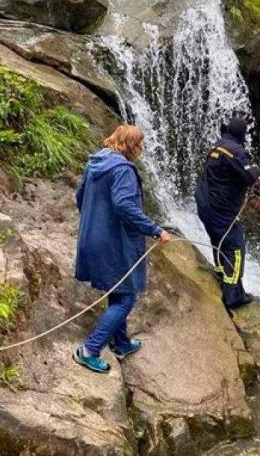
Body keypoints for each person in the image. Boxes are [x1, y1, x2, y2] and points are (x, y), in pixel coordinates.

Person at [73, 125, 171, 373]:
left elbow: (79, 197)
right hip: (112, 243)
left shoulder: (95, 161)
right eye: (140, 145)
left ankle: (122, 343)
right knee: (126, 298)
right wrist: (155, 229)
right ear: (132, 146)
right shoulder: (123, 170)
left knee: (118, 289)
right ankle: (90, 349)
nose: (141, 149)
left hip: (91, 238)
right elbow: (125, 205)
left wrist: (95, 221)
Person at [195, 116, 260, 310]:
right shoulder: (235, 150)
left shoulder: (218, 146)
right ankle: (233, 295)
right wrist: (257, 170)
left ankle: (221, 274)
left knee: (219, 241)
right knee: (235, 249)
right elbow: (249, 175)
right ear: (241, 134)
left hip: (205, 204)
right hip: (221, 210)